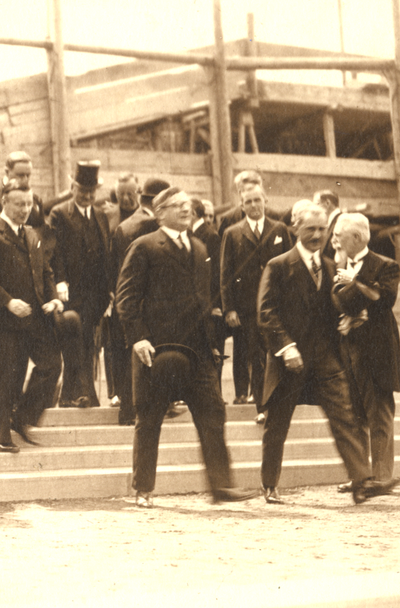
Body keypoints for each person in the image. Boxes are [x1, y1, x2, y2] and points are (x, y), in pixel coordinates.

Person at [116, 187, 256, 507]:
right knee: (150, 418)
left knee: (213, 413)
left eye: (188, 205)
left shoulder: (199, 247)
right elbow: (127, 298)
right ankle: (143, 489)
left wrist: (210, 344)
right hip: (157, 350)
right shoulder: (144, 246)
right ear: (159, 212)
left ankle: (222, 487)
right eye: (177, 205)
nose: (186, 209)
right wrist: (138, 338)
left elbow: (203, 301)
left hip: (197, 352)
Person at [257, 201, 385, 505]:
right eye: (310, 229)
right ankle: (270, 484)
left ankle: (361, 482)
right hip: (290, 360)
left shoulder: (331, 267)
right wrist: (286, 347)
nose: (317, 235)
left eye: (322, 229)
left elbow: (338, 305)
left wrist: (348, 318)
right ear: (295, 229)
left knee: (344, 418)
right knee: (278, 425)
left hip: (326, 359)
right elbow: (266, 312)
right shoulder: (278, 266)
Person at [0, 180, 63, 453]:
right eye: (19, 204)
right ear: (4, 202)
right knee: (6, 378)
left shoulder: (33, 234)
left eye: (28, 204)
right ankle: (2, 437)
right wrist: (8, 302)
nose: (25, 209)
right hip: (4, 321)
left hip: (35, 318)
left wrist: (53, 298)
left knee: (51, 364)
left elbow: (45, 271)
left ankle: (22, 417)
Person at [330, 213, 400, 492]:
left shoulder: (386, 265)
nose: (335, 240)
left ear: (357, 237)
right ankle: (360, 476)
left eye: (339, 235)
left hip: (377, 351)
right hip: (347, 349)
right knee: (353, 415)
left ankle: (381, 478)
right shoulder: (336, 265)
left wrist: (355, 281)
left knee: (379, 414)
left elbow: (384, 300)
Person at [220, 182, 293, 421]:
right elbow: (225, 274)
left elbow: (291, 266)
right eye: (248, 201)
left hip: (277, 305)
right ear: (241, 206)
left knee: (277, 353)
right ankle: (263, 408)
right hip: (248, 308)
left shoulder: (280, 229)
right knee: (256, 358)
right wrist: (229, 308)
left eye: (257, 200)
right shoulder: (232, 233)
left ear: (265, 201)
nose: (253, 205)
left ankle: (280, 404)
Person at [107, 178, 170, 426]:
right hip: (145, 302)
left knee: (129, 355)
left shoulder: (126, 225)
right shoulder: (148, 226)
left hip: (127, 300)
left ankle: (129, 410)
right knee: (138, 355)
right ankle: (135, 411)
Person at [48, 161, 111, 409]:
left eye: (91, 192)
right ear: (73, 188)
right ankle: (80, 393)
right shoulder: (60, 214)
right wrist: (60, 281)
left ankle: (73, 394)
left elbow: (105, 255)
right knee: (76, 340)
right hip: (71, 293)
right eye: (82, 191)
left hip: (95, 294)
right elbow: (55, 252)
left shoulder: (101, 216)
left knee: (89, 343)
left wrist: (108, 290)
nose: (87, 196)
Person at [190, 196, 224, 379]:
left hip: (209, 306)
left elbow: (216, 274)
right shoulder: (191, 234)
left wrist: (215, 305)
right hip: (197, 305)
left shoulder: (210, 235)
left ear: (194, 214)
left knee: (213, 353)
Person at [315, 190, 342, 261]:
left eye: (317, 204)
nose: (315, 209)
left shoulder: (341, 221)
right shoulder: (330, 221)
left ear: (327, 203)